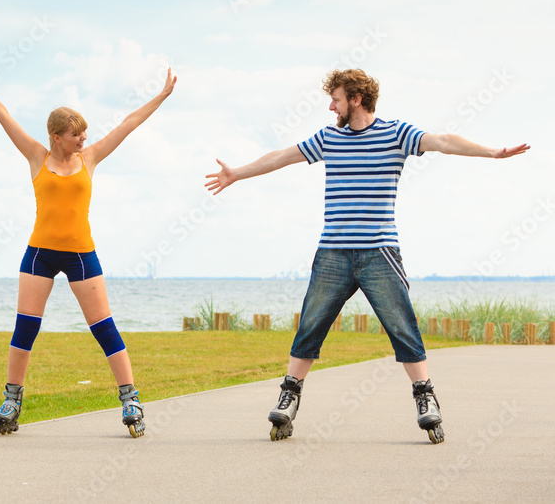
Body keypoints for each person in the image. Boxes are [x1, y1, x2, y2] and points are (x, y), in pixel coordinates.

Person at [204, 69, 529, 444]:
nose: (331, 106)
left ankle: (426, 399)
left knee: (401, 326)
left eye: (336, 99)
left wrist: (491, 152)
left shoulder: (396, 134)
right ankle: (289, 398)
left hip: (379, 251)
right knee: (311, 325)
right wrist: (237, 174)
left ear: (355, 100)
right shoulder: (329, 138)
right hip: (333, 252)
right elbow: (282, 156)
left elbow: (442, 140)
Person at [0, 49, 177, 438]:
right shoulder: (36, 156)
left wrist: (160, 96)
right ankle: (11, 401)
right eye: (76, 134)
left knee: (104, 328)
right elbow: (1, 113)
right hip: (39, 254)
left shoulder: (89, 158)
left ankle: (130, 400)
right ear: (56, 136)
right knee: (25, 328)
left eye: (84, 133)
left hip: (81, 254)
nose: (84, 138)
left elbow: (127, 124)